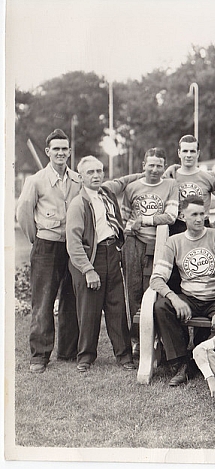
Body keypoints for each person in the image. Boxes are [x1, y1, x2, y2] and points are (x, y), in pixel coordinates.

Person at [149, 196, 215, 387]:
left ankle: (204, 361)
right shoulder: (174, 241)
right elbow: (156, 279)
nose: (199, 218)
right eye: (193, 214)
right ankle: (181, 363)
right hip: (189, 298)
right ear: (182, 216)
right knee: (162, 306)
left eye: (202, 214)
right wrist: (174, 298)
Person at [16, 129, 81, 372]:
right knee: (43, 301)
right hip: (46, 246)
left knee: (70, 299)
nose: (61, 153)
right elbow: (23, 213)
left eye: (65, 149)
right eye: (56, 149)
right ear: (48, 152)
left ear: (70, 152)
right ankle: (40, 356)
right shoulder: (35, 180)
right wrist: (38, 239)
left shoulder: (77, 179)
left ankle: (67, 350)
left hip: (72, 247)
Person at [65, 156, 134, 372]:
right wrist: (88, 270)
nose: (96, 176)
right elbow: (73, 243)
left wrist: (148, 173)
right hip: (90, 258)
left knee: (117, 306)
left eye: (99, 171)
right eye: (90, 172)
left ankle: (124, 356)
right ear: (81, 177)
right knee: (89, 309)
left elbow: (123, 181)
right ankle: (85, 356)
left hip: (111, 252)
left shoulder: (106, 192)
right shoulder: (79, 203)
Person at [121, 147, 179, 355]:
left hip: (161, 243)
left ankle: (159, 338)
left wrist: (144, 220)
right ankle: (137, 339)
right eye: (151, 165)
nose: (154, 169)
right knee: (133, 290)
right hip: (135, 243)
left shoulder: (171, 185)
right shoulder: (132, 187)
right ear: (143, 165)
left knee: (154, 289)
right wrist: (131, 228)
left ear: (164, 167)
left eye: (159, 165)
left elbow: (171, 216)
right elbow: (124, 219)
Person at [169, 135, 215, 235]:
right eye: (185, 151)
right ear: (179, 153)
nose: (188, 155)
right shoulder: (170, 176)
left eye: (192, 151)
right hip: (178, 226)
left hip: (202, 225)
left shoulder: (207, 177)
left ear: (198, 153)